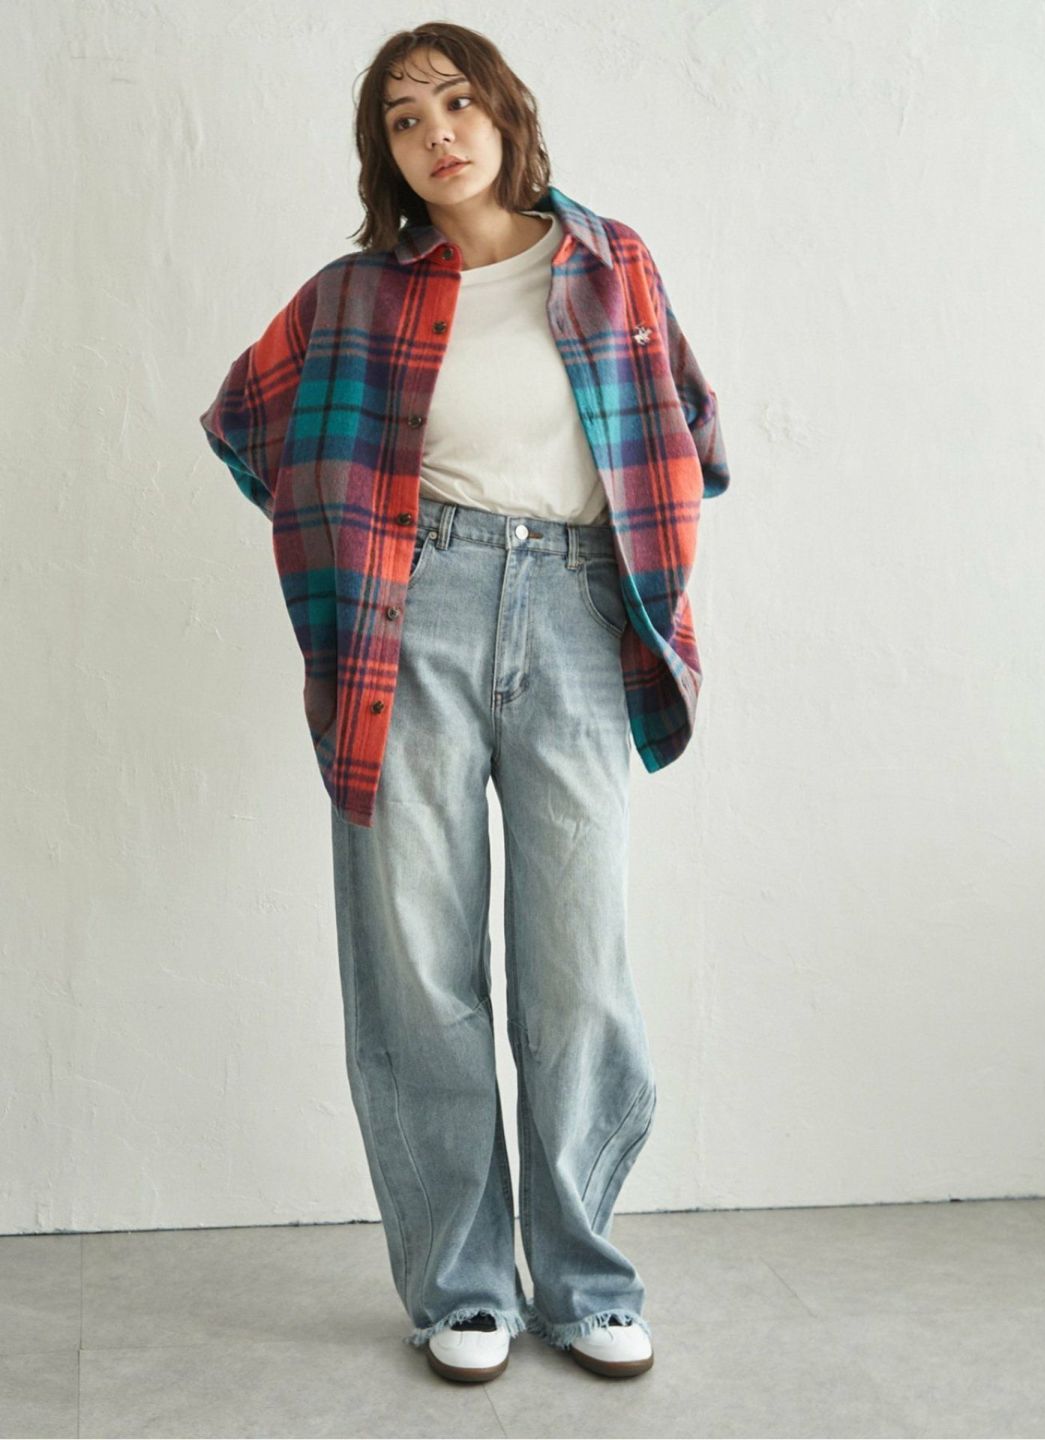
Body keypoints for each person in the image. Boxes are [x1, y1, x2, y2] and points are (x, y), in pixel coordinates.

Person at [199, 21, 729, 1386]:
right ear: (386, 155)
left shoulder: (612, 264)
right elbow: (251, 426)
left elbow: (690, 436)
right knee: (417, 963)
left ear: (504, 114)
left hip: (577, 611)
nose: (435, 131)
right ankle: (463, 1287)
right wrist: (359, 539)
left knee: (577, 964)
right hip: (412, 609)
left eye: (454, 101)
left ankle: (587, 1282)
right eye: (402, 118)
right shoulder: (356, 295)